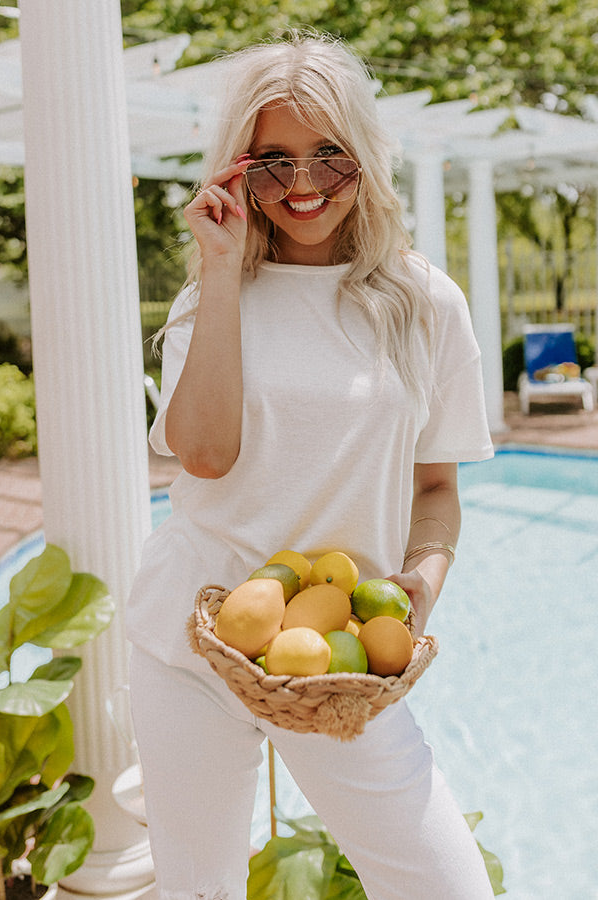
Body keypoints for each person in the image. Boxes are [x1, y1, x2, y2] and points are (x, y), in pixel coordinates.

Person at [126, 30, 495, 900]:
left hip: (342, 660)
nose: (301, 186)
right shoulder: (208, 299)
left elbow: (435, 488)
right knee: (199, 891)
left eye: (327, 156)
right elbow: (206, 457)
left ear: (363, 160)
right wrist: (221, 272)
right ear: (238, 171)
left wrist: (420, 586)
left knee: (447, 887)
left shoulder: (424, 304)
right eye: (273, 161)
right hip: (192, 641)